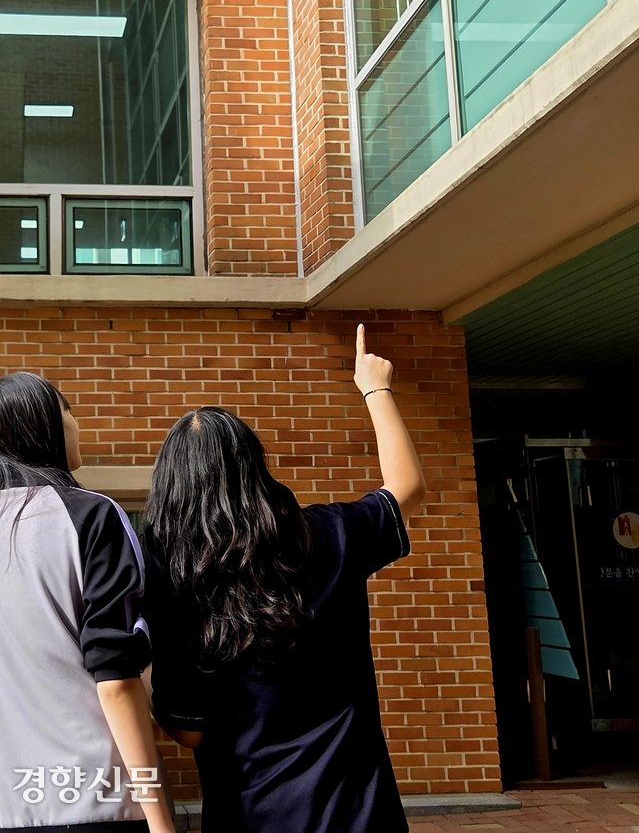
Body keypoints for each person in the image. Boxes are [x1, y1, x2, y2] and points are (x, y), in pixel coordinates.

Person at [142, 324, 427, 833]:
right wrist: (375, 388)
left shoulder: (175, 577)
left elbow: (189, 732)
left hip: (250, 816)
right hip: (359, 814)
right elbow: (407, 488)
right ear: (256, 467)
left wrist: (140, 681)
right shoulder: (328, 534)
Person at [0, 372, 176, 833]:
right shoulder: (90, 514)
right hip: (98, 798)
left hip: (8, 802)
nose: (77, 422)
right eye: (69, 410)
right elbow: (115, 676)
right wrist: (160, 818)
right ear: (43, 424)